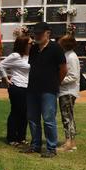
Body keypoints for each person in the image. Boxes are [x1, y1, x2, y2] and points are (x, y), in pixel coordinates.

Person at [22, 22, 67, 158]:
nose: (37, 35)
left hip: (48, 90)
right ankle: (35, 145)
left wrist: (55, 83)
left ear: (48, 33)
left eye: (40, 33)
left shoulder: (56, 48)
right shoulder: (34, 49)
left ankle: (51, 148)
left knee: (48, 119)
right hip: (32, 89)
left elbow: (63, 69)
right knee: (33, 118)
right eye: (36, 33)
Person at [0, 35, 30, 146]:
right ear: (23, 44)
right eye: (29, 43)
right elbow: (1, 65)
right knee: (16, 112)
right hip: (17, 86)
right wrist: (5, 79)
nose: (32, 45)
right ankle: (11, 137)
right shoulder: (15, 56)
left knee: (25, 113)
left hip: (28, 87)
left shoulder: (30, 56)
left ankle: (21, 137)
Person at [58, 34, 80, 152]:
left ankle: (68, 143)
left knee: (66, 117)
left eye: (60, 42)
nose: (58, 43)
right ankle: (72, 143)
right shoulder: (68, 55)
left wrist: (58, 81)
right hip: (67, 91)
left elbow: (73, 76)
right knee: (69, 117)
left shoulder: (70, 57)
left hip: (68, 91)